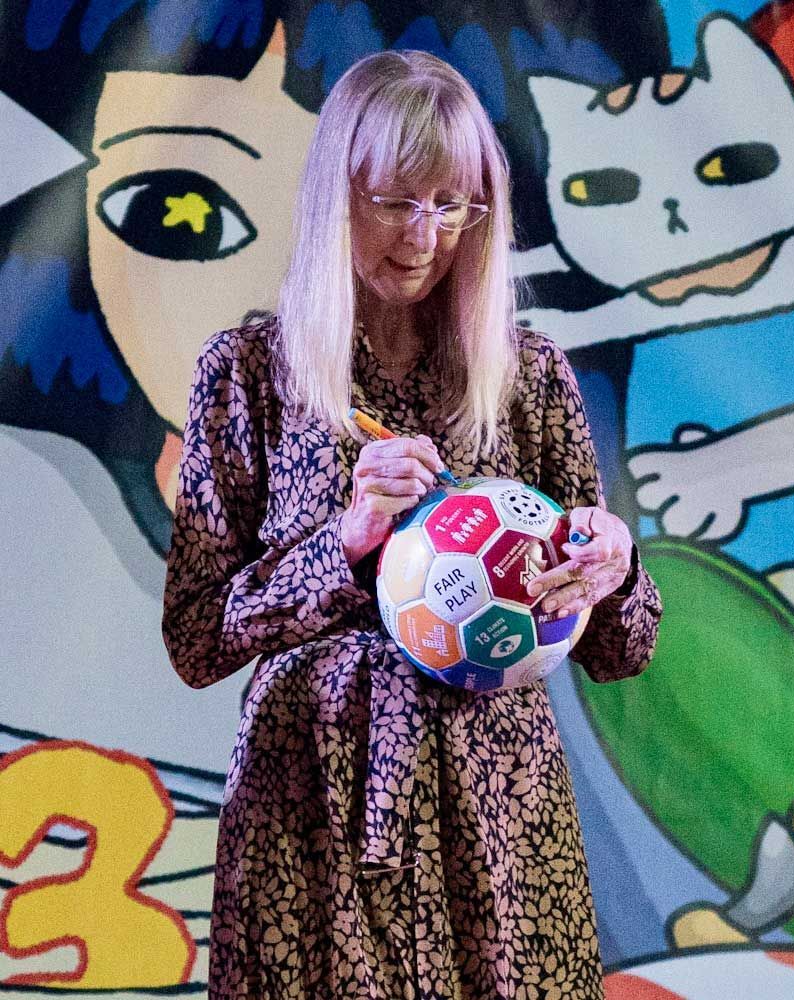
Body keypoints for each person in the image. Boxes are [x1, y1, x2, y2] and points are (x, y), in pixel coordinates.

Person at [162, 49, 662, 1000]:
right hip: (310, 802)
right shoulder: (249, 373)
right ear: (335, 194)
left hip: (500, 811)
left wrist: (616, 570)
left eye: (453, 204)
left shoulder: (527, 376)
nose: (425, 235)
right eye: (395, 201)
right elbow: (195, 638)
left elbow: (621, 648)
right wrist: (346, 541)